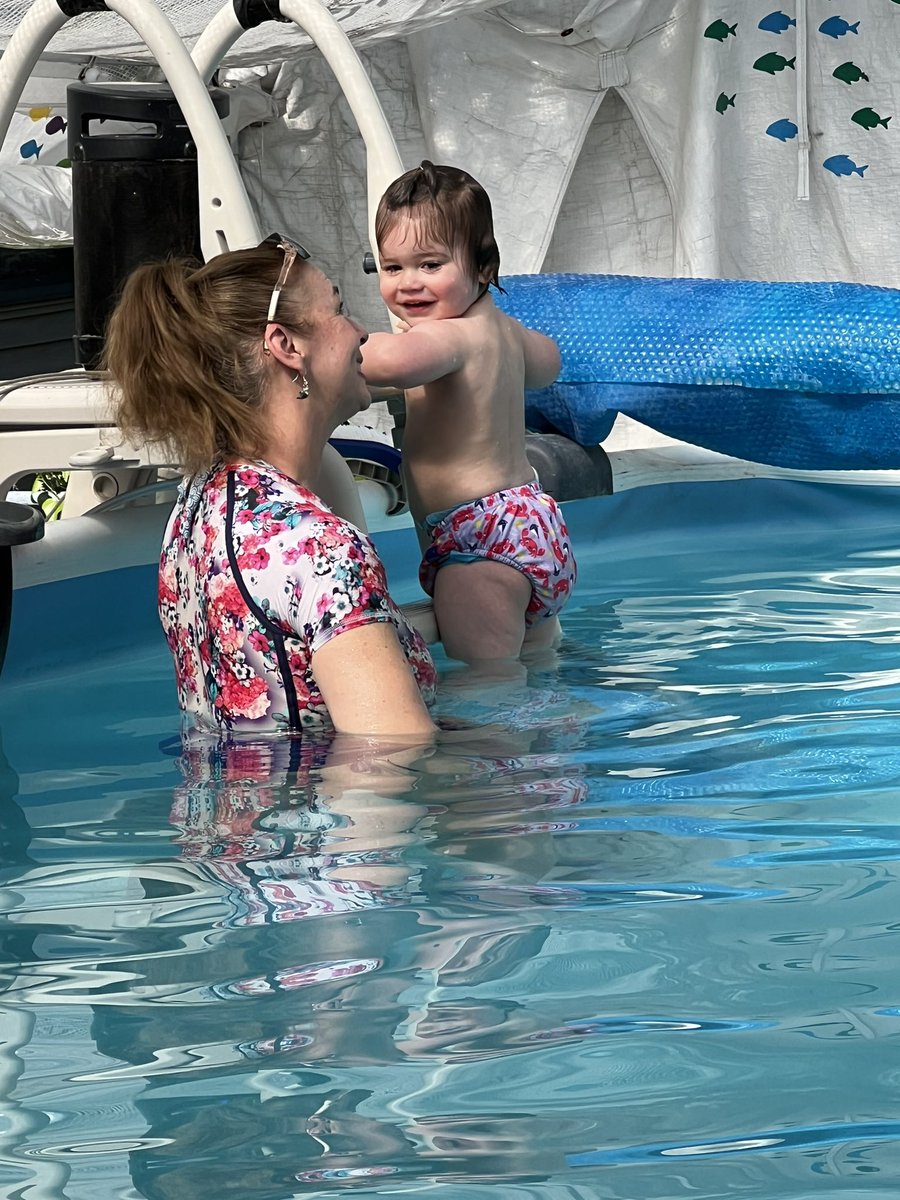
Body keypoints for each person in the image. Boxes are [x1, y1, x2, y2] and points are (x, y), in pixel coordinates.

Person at [103, 235, 436, 738]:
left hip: (217, 812)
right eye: (340, 310)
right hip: (326, 811)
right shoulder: (319, 546)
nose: (361, 332)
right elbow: (393, 763)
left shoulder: (200, 503)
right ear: (286, 345)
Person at [360, 161, 577, 663]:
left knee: (487, 688)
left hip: (477, 540)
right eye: (393, 268)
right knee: (536, 663)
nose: (408, 284)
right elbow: (550, 364)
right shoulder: (504, 330)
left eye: (430, 265)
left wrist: (320, 341)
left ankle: (489, 744)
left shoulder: (444, 337)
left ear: (483, 267)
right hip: (532, 523)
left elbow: (382, 362)